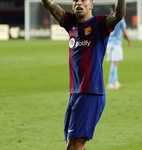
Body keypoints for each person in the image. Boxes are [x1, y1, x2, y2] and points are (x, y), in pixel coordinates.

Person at [41, 0, 126, 149]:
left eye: (83, 0)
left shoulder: (100, 23)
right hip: (75, 92)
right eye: (75, 0)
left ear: (91, 5)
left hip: (91, 92)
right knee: (71, 144)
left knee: (73, 147)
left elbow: (119, 15)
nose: (78, 2)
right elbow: (48, 4)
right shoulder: (70, 23)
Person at [106, 5, 132, 90]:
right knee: (114, 64)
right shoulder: (120, 19)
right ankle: (110, 83)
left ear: (111, 10)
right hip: (116, 43)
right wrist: (129, 41)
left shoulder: (108, 18)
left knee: (114, 63)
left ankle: (116, 81)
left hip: (109, 44)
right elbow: (124, 32)